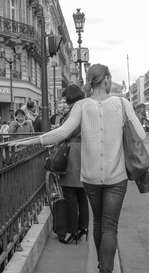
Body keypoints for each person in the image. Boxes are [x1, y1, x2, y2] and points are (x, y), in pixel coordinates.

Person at [11, 64, 146, 273]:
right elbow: (141, 135)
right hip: (117, 178)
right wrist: (126, 117)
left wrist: (30, 141)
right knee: (110, 227)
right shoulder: (123, 103)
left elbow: (61, 132)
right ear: (105, 80)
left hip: (91, 178)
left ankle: (101, 269)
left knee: (98, 223)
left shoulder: (81, 107)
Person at [55, 84, 89, 244]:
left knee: (69, 194)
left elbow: (65, 132)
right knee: (82, 194)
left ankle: (71, 231)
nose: (64, 101)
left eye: (65, 97)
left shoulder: (74, 112)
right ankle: (83, 227)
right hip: (85, 153)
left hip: (72, 154)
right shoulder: (86, 110)